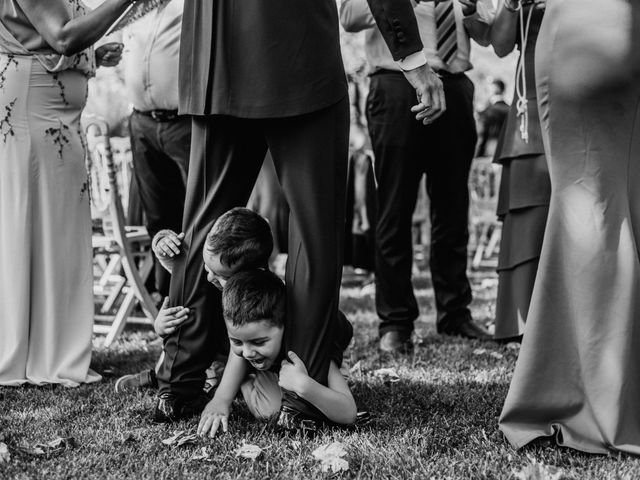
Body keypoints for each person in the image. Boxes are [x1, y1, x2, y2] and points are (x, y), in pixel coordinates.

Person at [155, 0, 445, 426]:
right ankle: (302, 396)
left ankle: (177, 386)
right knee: (314, 234)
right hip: (297, 54)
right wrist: (413, 58)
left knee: (203, 227)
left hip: (212, 58)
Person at [499, 0, 640, 454]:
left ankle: (588, 394)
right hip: (625, 25)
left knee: (590, 214)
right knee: (621, 207)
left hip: (580, 29)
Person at [0, 0, 153, 387]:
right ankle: (30, 353)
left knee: (55, 233)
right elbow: (62, 36)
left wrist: (91, 56)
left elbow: (44, 41)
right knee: (27, 229)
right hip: (30, 115)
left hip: (49, 114)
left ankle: (48, 349)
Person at [340, 0, 495, 354]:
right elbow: (348, 17)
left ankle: (455, 313)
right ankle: (395, 321)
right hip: (396, 85)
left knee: (454, 209)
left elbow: (487, 37)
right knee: (394, 209)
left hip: (455, 88)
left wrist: (472, 11)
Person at [115, 207, 272, 395]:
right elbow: (179, 272)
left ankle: (211, 381)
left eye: (221, 276)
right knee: (184, 313)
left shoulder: (260, 298)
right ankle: (162, 376)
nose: (209, 278)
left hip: (234, 361)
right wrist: (163, 243)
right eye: (207, 269)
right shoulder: (209, 284)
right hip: (198, 355)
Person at [198, 269, 356, 437]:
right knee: (270, 409)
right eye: (237, 341)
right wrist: (221, 400)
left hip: (307, 361)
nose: (247, 353)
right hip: (272, 365)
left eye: (258, 342)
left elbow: (348, 413)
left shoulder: (305, 344)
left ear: (284, 327)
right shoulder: (250, 341)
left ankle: (244, 379)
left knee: (269, 411)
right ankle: (242, 377)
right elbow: (240, 353)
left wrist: (303, 385)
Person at [489, 0, 549, 342]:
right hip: (531, 101)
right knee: (530, 204)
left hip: (589, 83)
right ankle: (525, 319)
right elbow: (499, 45)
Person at [122, 0, 189, 297]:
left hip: (188, 121)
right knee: (159, 220)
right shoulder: (137, 8)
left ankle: (212, 298)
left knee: (203, 213)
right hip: (142, 122)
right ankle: (168, 298)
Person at [476, 78, 509, 158]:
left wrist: (479, 154)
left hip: (489, 150)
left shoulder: (488, 111)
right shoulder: (510, 109)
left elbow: (482, 133)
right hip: (506, 149)